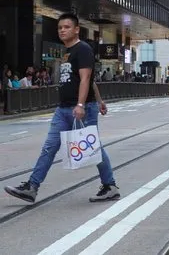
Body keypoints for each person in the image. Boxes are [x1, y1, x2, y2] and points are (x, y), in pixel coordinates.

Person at [4, 13, 119, 203]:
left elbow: (85, 78)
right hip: (64, 109)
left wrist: (82, 104)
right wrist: (100, 101)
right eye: (59, 28)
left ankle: (110, 185)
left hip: (80, 109)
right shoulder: (67, 53)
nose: (62, 30)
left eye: (66, 27)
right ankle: (32, 187)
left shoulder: (83, 49)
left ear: (76, 29)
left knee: (92, 147)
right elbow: (87, 80)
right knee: (49, 147)